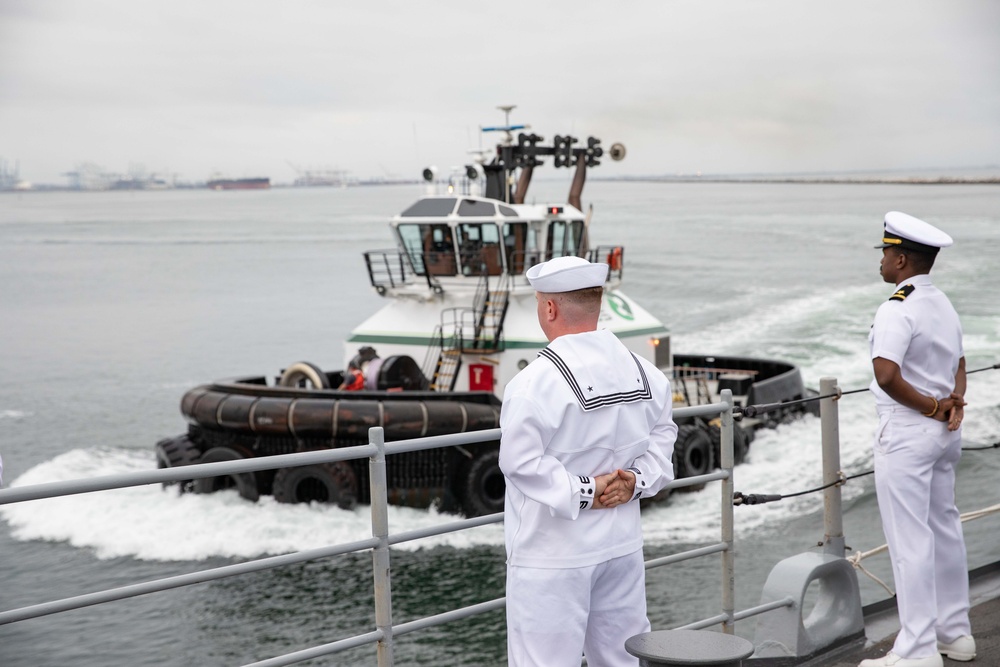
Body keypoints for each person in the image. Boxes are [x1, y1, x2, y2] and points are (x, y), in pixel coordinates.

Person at [498, 255, 678, 667]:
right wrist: (634, 480)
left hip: (553, 555)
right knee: (622, 658)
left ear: (549, 308)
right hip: (622, 547)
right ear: (598, 302)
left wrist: (586, 491)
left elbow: (519, 463)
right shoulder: (648, 373)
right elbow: (664, 435)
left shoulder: (533, 383)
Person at [860, 212, 975, 667]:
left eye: (886, 253)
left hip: (909, 431)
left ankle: (917, 650)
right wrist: (954, 402)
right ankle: (955, 634)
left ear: (901, 258)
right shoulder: (942, 303)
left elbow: (886, 374)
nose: (882, 261)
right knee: (945, 531)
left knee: (910, 542)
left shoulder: (896, 306)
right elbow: (961, 362)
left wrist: (930, 406)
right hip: (945, 434)